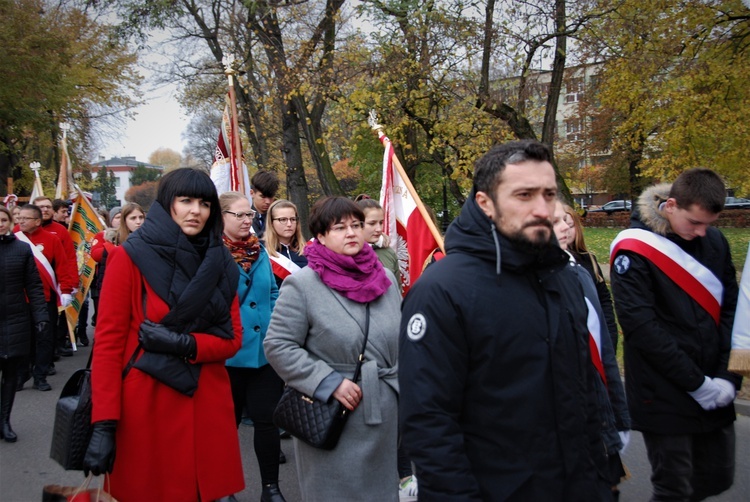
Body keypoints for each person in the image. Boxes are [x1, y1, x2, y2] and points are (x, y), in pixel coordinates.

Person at [399, 140, 609, 501]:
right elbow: (429, 423)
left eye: (549, 194)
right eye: (524, 195)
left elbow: (582, 390)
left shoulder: (562, 277)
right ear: (485, 203)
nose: (542, 208)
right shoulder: (442, 290)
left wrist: (600, 482)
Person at [83, 168, 245, 501]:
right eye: (185, 200)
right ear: (167, 205)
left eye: (204, 203)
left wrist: (185, 343)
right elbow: (108, 345)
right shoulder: (130, 257)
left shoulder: (222, 260)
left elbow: (232, 340)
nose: (195, 211)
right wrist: (104, 422)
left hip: (206, 403)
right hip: (146, 406)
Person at [610, 168, 741, 501]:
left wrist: (727, 377)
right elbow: (641, 327)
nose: (701, 233)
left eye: (708, 225)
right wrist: (695, 383)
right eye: (694, 223)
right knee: (674, 488)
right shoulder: (634, 249)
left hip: (715, 382)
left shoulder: (714, 241)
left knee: (716, 478)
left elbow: (732, 309)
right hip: (664, 389)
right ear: (671, 205)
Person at [264, 196, 402, 501]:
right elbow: (278, 345)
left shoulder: (387, 279)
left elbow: (400, 340)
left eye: (356, 225)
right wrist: (328, 382)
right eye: (339, 228)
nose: (351, 233)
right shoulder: (303, 285)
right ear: (322, 236)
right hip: (335, 413)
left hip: (385, 409)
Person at [552, 200, 630, 500]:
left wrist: (620, 419)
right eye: (556, 222)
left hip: (597, 415)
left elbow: (604, 355)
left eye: (567, 221)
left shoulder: (582, 273)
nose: (565, 228)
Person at [219, 191, 286, 502]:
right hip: (226, 356)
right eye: (240, 215)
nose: (248, 220)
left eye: (250, 215)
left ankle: (271, 488)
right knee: (224, 429)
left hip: (263, 353)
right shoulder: (211, 254)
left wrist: (272, 327)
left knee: (267, 422)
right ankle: (224, 489)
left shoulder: (259, 252)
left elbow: (272, 292)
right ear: (222, 218)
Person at [15, 204, 76, 392]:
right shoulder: (14, 238)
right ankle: (23, 373)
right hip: (19, 298)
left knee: (44, 337)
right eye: (19, 218)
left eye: (26, 218)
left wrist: (66, 290)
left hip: (44, 298)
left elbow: (63, 266)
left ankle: (40, 375)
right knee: (24, 338)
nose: (21, 221)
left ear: (37, 221)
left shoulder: (51, 239)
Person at [0, 206, 48, 442]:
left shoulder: (21, 249)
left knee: (11, 373)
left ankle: (5, 421)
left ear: (10, 222)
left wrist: (40, 315)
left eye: (3, 219)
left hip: (15, 319)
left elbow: (34, 286)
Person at [564, 204, 619, 351]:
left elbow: (604, 300)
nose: (566, 231)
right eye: (561, 225)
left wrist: (610, 336)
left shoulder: (589, 260)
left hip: (595, 336)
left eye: (570, 226)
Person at [31, 196, 77, 358]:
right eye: (41, 207)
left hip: (54, 286)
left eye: (48, 207)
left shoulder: (60, 231)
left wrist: (70, 284)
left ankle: (51, 352)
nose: (45, 210)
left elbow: (69, 258)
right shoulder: (19, 232)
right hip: (29, 288)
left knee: (52, 322)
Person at [356, 197, 401, 285]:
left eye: (381, 223)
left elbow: (397, 289)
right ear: (357, 224)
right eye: (372, 223)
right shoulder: (348, 254)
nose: (379, 229)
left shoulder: (388, 252)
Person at [265, 199, 307, 287]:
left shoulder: (308, 251)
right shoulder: (263, 253)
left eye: (293, 219)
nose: (289, 224)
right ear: (271, 223)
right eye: (283, 219)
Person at [250, 170, 279, 239]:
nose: (268, 202)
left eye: (271, 197)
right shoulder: (244, 218)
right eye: (263, 197)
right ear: (252, 193)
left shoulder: (279, 218)